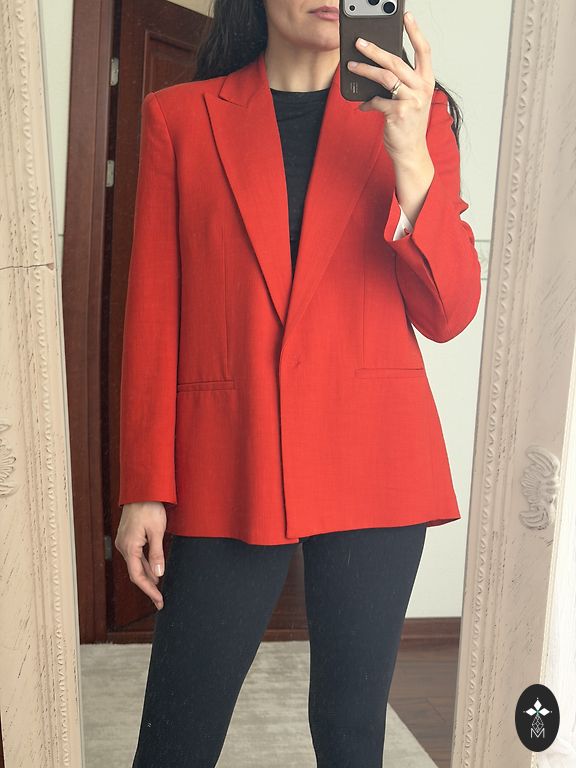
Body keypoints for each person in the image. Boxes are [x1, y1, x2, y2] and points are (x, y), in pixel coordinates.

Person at [115, 1, 482, 766]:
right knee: (176, 736)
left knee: (351, 731)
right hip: (229, 454)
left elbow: (447, 313)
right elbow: (154, 312)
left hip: (375, 457)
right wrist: (144, 486)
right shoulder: (179, 119)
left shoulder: (419, 116)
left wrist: (411, 157)